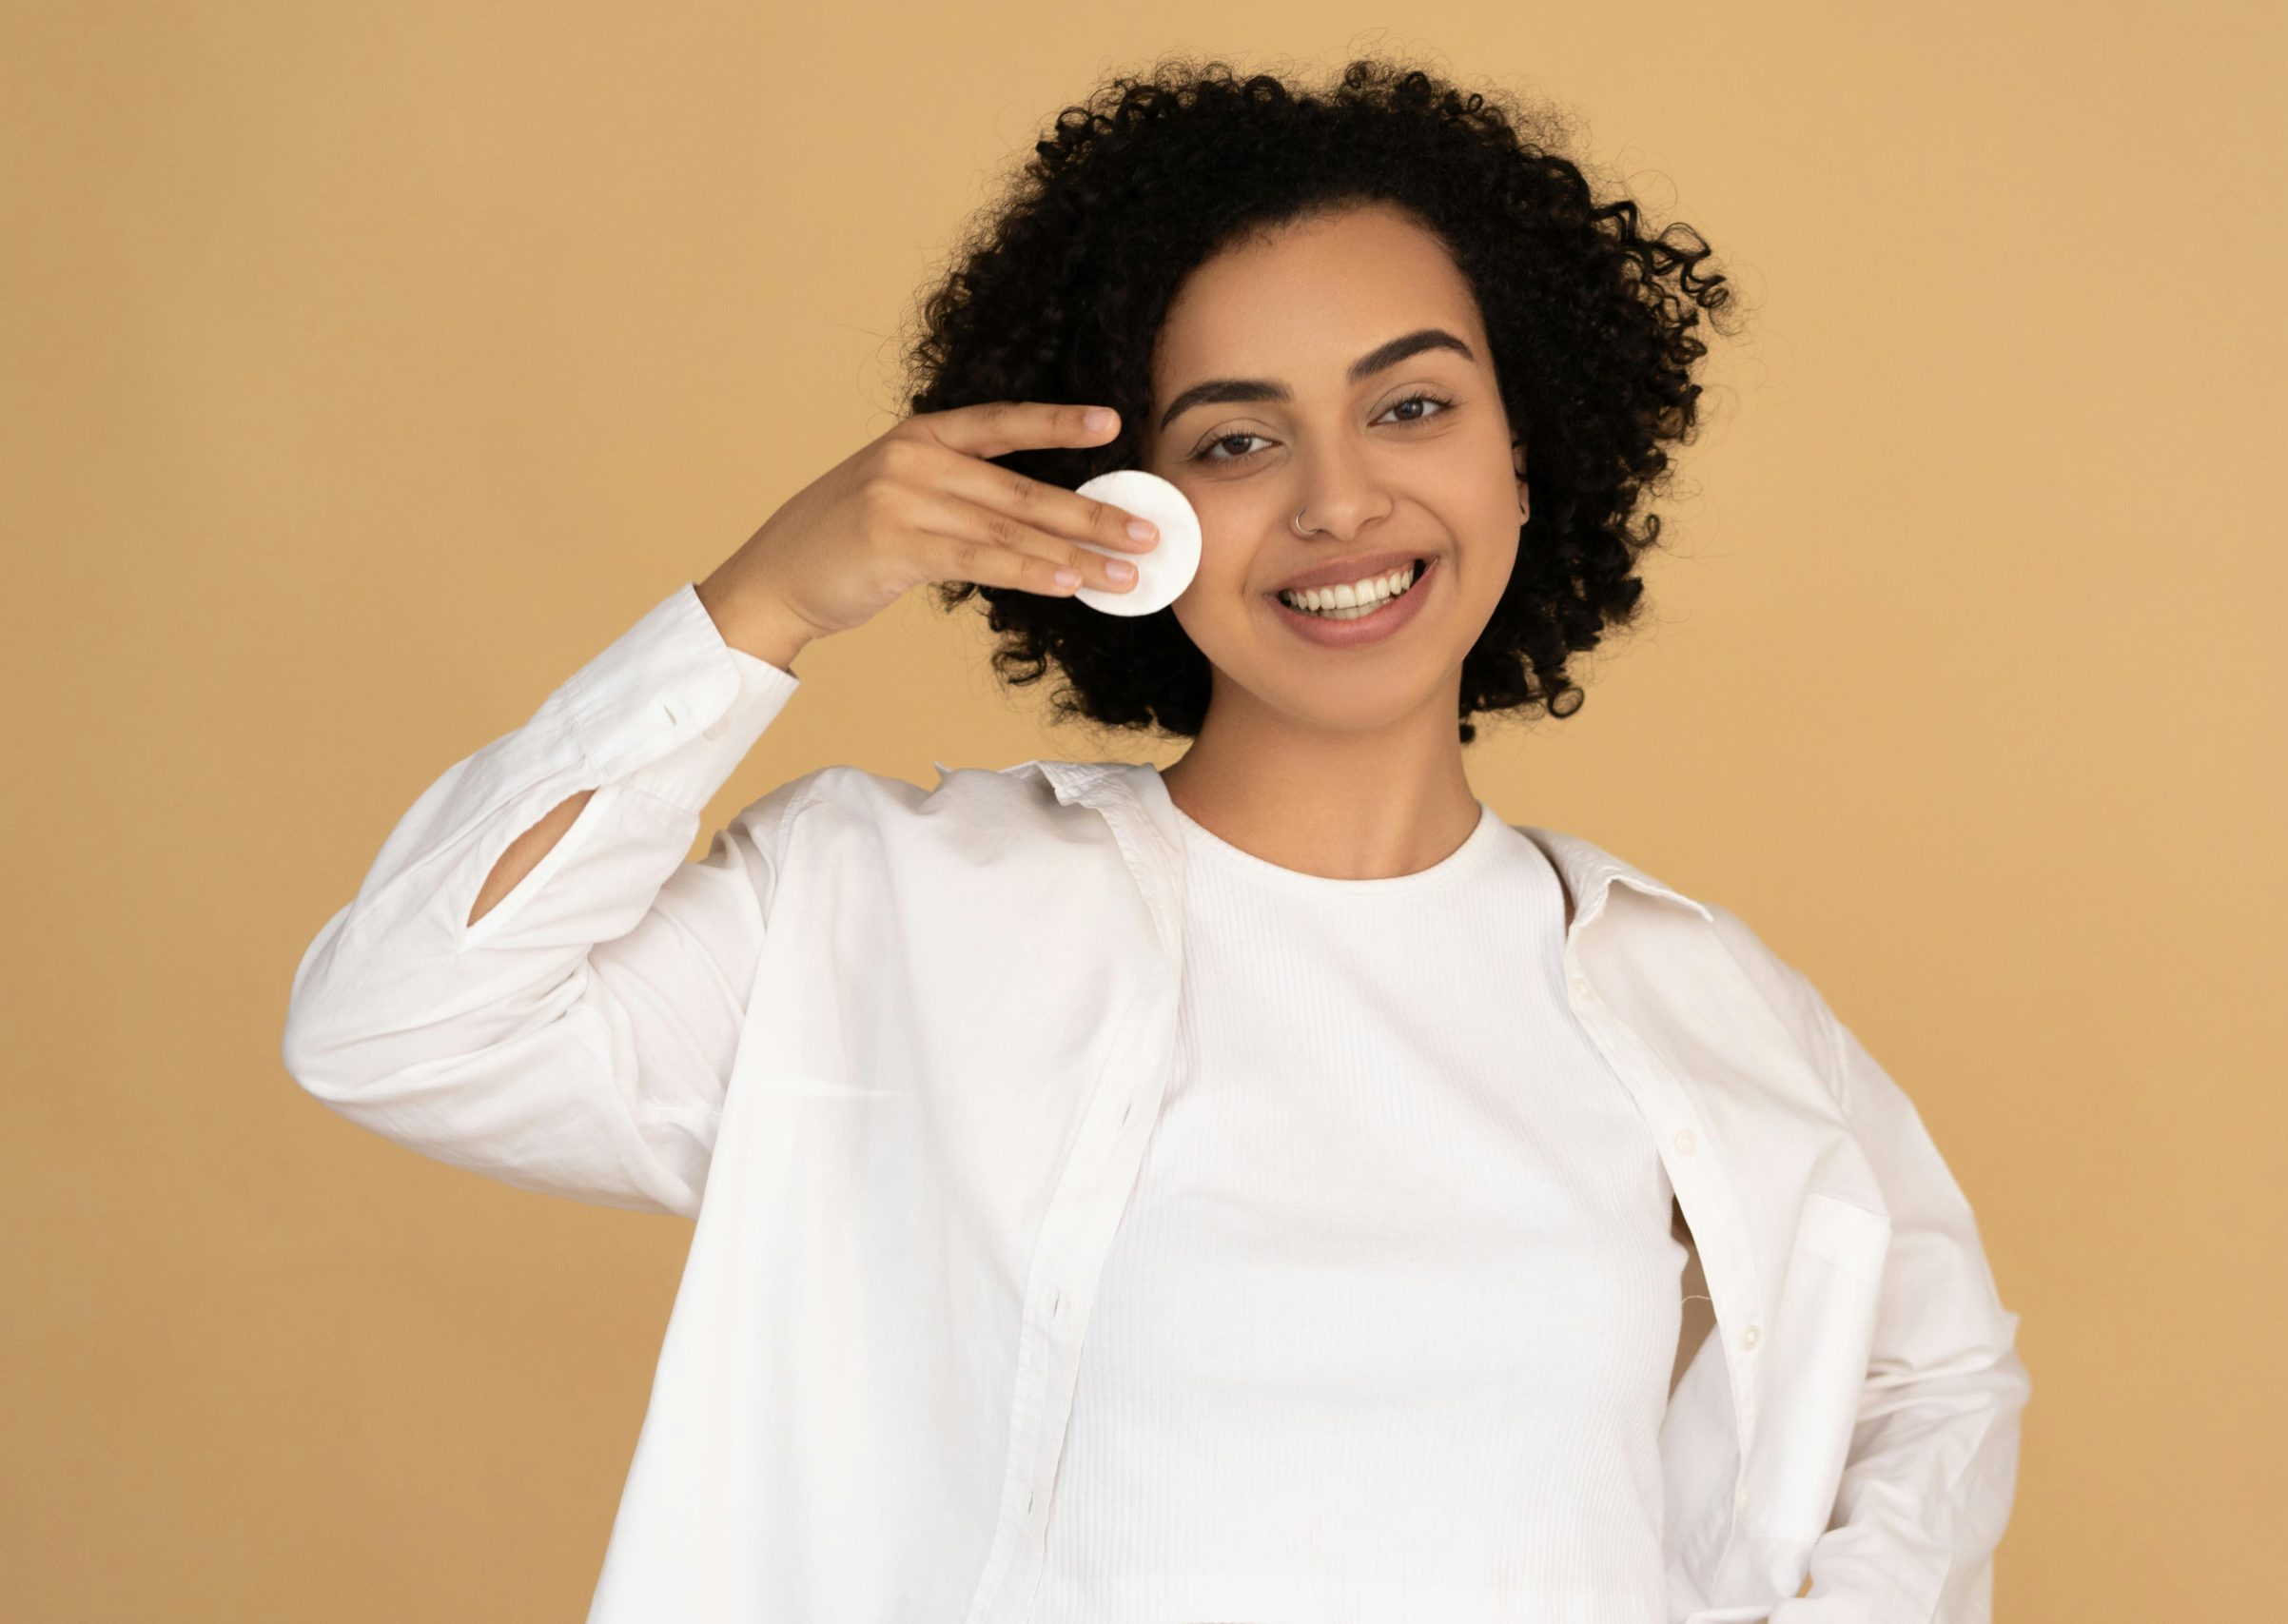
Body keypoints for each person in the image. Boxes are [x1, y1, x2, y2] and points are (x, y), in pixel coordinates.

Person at [282, 55, 2029, 1624]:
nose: (1342, 501)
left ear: (1525, 453)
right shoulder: (886, 913)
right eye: (1238, 438)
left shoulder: (1694, 999)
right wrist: (765, 602)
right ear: (1129, 523)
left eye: (1412, 405)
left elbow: (1932, 1383)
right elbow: (405, 1024)